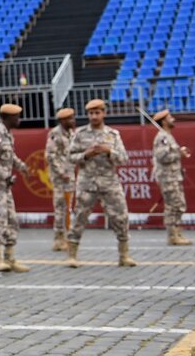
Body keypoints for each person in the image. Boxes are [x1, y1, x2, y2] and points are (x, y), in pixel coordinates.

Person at [66, 98, 135, 267]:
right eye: (91, 113)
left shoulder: (113, 134)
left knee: (120, 217)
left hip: (109, 182)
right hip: (86, 182)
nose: (94, 116)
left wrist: (109, 151)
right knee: (80, 217)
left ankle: (124, 255)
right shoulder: (80, 134)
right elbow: (70, 157)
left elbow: (123, 158)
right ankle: (72, 255)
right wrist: (86, 154)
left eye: (97, 113)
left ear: (104, 113)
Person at [0, 103, 30, 273]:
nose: (19, 119)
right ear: (7, 118)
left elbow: (10, 156)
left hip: (4, 186)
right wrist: (5, 176)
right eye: (16, 116)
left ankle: (10, 258)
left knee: (12, 220)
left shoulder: (7, 135)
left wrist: (22, 167)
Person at [151, 109, 193, 246]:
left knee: (179, 204)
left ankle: (177, 232)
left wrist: (179, 153)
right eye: (170, 117)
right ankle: (172, 235)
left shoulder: (168, 136)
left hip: (174, 176)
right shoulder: (162, 137)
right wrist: (178, 154)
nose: (173, 119)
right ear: (164, 121)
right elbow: (161, 157)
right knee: (173, 206)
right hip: (167, 177)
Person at [45, 107, 77, 251]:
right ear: (62, 121)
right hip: (60, 177)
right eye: (69, 119)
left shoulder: (71, 133)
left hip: (70, 175)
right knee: (60, 207)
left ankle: (67, 235)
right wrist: (60, 172)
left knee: (68, 207)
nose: (73, 121)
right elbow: (50, 156)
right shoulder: (55, 134)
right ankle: (58, 239)